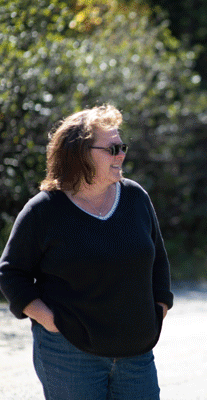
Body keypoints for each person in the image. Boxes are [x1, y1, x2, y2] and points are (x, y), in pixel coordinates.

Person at [0, 104, 173, 400]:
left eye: (123, 147)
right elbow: (11, 273)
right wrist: (48, 319)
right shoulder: (44, 210)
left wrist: (158, 310)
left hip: (137, 355)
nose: (121, 155)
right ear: (79, 153)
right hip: (70, 354)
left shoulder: (135, 198)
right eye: (112, 148)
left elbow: (158, 263)